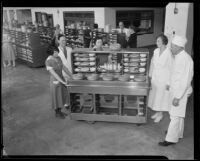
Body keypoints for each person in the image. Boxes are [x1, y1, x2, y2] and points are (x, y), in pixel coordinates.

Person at [159, 35, 193, 146]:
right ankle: (178, 133)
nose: (170, 48)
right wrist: (169, 84)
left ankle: (170, 139)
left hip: (181, 92)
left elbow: (185, 81)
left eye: (173, 46)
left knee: (174, 115)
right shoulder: (177, 56)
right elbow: (173, 73)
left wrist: (178, 97)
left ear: (179, 47)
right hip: (175, 89)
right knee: (178, 114)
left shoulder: (186, 60)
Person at [148, 34, 172, 123]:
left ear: (164, 42)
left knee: (161, 97)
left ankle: (160, 114)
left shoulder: (169, 53)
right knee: (155, 96)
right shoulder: (155, 51)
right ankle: (157, 113)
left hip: (164, 79)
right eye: (156, 41)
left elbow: (171, 69)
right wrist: (150, 75)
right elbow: (152, 63)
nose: (156, 42)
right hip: (155, 77)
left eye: (158, 41)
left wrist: (169, 83)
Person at [45, 47, 72, 119]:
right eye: (55, 52)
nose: (57, 53)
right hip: (55, 81)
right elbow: (54, 74)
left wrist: (71, 75)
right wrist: (62, 81)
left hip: (61, 78)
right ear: (51, 53)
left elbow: (64, 68)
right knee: (56, 97)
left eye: (57, 51)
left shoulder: (58, 58)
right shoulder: (48, 61)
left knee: (63, 95)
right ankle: (57, 112)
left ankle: (61, 110)